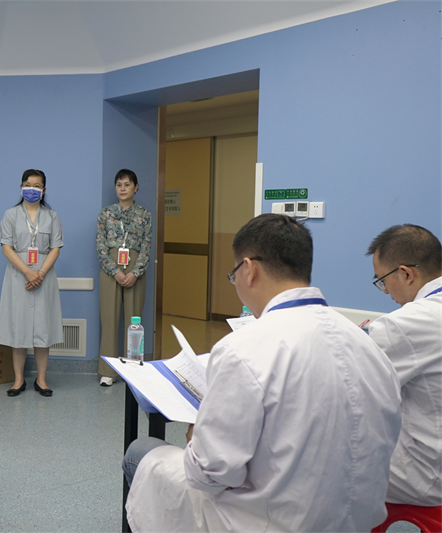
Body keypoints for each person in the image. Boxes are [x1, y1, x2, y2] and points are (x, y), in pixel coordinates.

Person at [122, 214, 402, 532]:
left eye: (234, 276)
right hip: (353, 522)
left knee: (140, 453)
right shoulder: (370, 347)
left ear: (249, 270)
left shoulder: (243, 349)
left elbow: (208, 474)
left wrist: (197, 438)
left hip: (267, 523)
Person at [366, 224, 442, 507]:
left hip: (428, 473)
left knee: (320, 462)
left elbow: (351, 389)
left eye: (382, 280)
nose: (385, 291)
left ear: (407, 274)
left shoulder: (403, 324)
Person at [0, 169, 64, 397]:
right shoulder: (10, 215)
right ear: (21, 187)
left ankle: (41, 379)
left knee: (43, 328)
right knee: (18, 329)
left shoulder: (52, 216)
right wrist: (27, 272)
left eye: (36, 186)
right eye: (27, 184)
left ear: (44, 190)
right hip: (18, 276)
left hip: (44, 277)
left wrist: (40, 273)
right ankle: (18, 380)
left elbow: (55, 248)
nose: (31, 189)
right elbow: (6, 248)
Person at [95, 169, 151, 386]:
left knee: (134, 321)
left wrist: (135, 272)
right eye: (119, 185)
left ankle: (133, 370)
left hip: (135, 266)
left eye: (127, 184)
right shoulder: (106, 213)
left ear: (136, 187)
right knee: (109, 320)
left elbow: (146, 247)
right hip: (110, 266)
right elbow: (100, 246)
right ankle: (108, 371)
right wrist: (115, 271)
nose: (122, 188)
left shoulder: (144, 215)